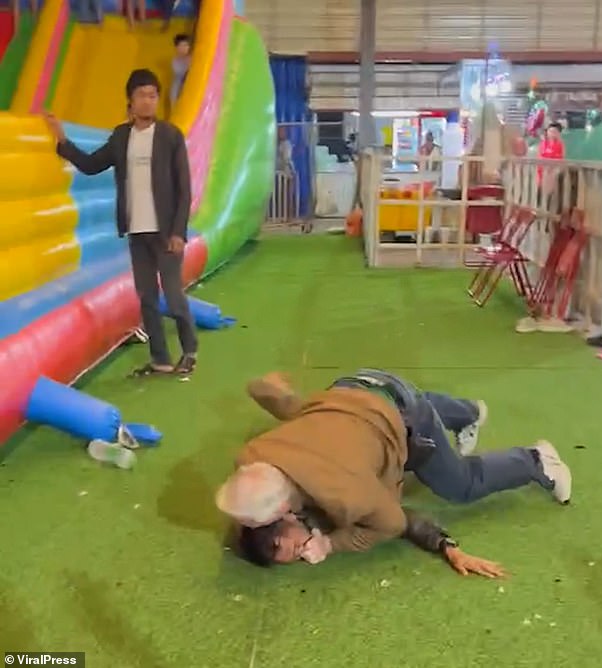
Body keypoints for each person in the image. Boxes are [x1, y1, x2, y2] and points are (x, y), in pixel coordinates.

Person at [216, 369, 571, 566]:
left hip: (403, 413)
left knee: (461, 485)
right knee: (382, 410)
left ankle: (536, 461)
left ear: (283, 510)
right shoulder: (249, 457)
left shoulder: (345, 494)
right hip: (354, 386)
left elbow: (394, 523)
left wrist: (330, 544)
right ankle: (468, 412)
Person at [43, 69, 198, 377]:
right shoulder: (121, 137)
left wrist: (179, 231)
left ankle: (189, 351)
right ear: (130, 100)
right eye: (142, 95)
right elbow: (90, 165)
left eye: (153, 95)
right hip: (137, 232)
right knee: (147, 299)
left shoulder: (170, 135)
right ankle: (160, 359)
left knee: (173, 294)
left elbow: (184, 188)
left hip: (166, 233)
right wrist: (62, 141)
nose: (148, 101)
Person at [237, 510, 506, 578]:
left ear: (286, 518)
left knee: (462, 482)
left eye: (295, 546)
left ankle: (534, 459)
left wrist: (448, 547)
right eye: (298, 556)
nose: (303, 551)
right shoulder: (311, 524)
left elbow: (398, 518)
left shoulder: (327, 506)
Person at [170, 34, 191, 109]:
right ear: (176, 48)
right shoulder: (175, 61)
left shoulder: (192, 58)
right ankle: (174, 108)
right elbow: (179, 74)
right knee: (175, 86)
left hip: (190, 82)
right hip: (180, 82)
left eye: (186, 45)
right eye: (181, 46)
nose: (184, 48)